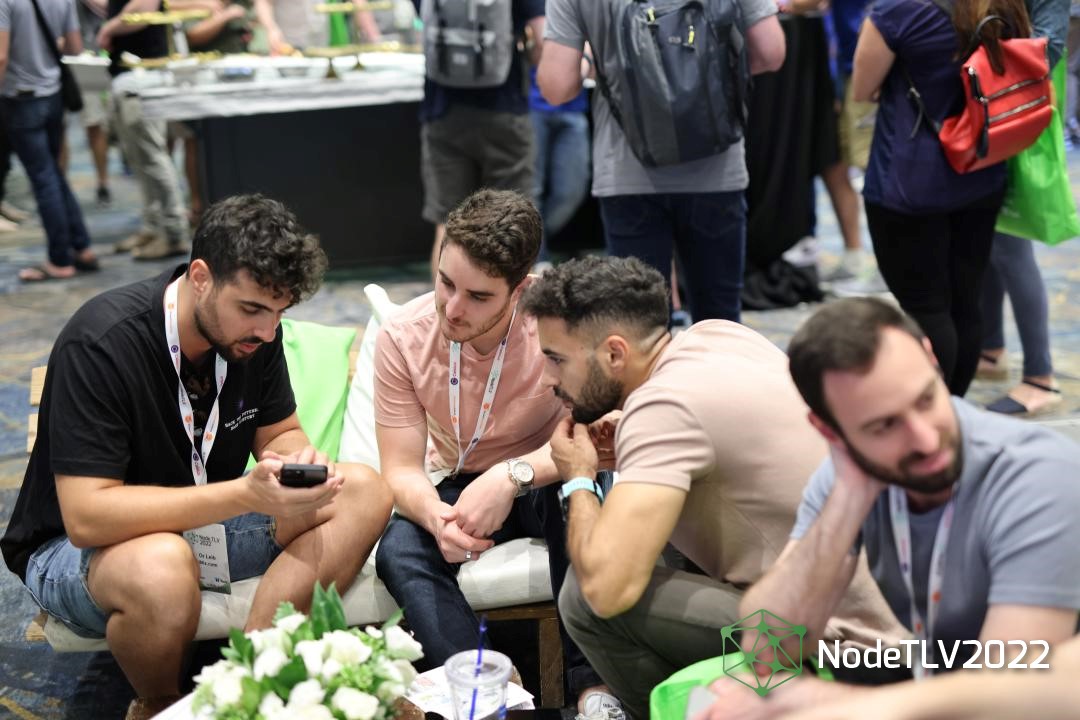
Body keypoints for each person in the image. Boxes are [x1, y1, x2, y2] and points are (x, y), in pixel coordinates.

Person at [0, 195, 393, 720]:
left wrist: (295, 460)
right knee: (161, 564)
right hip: (81, 551)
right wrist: (244, 495)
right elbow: (87, 518)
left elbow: (279, 432)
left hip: (202, 528)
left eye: (279, 313)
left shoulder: (254, 338)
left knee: (365, 490)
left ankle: (255, 672)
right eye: (252, 309)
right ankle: (161, 706)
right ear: (202, 278)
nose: (268, 331)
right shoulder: (102, 341)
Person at [521, 256, 907, 720]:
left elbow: (606, 591)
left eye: (556, 359)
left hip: (853, 652)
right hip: (914, 616)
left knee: (585, 598)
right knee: (646, 540)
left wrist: (579, 480)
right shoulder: (718, 335)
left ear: (615, 354)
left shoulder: (662, 409)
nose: (549, 378)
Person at [700, 297, 1080, 718]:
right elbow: (768, 649)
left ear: (932, 360)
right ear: (830, 432)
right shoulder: (850, 475)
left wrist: (834, 703)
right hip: (936, 680)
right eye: (884, 426)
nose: (925, 440)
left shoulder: (1036, 476)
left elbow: (1016, 694)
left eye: (926, 399)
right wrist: (847, 501)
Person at [372, 189, 619, 717]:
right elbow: (399, 468)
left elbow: (593, 442)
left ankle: (595, 691)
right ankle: (488, 697)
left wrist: (512, 476)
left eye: (478, 296)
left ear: (521, 288)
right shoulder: (403, 337)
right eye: (445, 282)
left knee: (575, 493)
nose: (452, 308)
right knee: (399, 546)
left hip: (543, 470)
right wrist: (436, 518)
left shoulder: (558, 322)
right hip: (455, 481)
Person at [537, 0, 785, 323]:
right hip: (717, 168)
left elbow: (556, 86)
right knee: (720, 323)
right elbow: (771, 52)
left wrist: (591, 59)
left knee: (641, 326)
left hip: (627, 173)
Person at [851, 0, 1032, 396]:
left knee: (926, 308)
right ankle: (954, 408)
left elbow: (862, 89)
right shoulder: (1004, 1)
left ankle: (938, 409)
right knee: (965, 302)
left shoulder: (898, 9)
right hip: (983, 167)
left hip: (909, 180)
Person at [414, 0, 544, 277]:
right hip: (505, 110)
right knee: (516, 223)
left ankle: (446, 303)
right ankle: (509, 305)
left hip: (442, 109)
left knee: (447, 223)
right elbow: (542, 39)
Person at [0, 0, 99, 282]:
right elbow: (74, 48)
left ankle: (59, 259)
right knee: (53, 174)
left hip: (21, 99)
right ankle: (82, 247)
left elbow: (1, 57)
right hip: (53, 96)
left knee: (44, 179)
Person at [98, 0, 191, 260]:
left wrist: (108, 28)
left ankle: (174, 232)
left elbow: (145, 8)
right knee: (139, 159)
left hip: (143, 78)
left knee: (153, 157)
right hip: (128, 77)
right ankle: (153, 226)